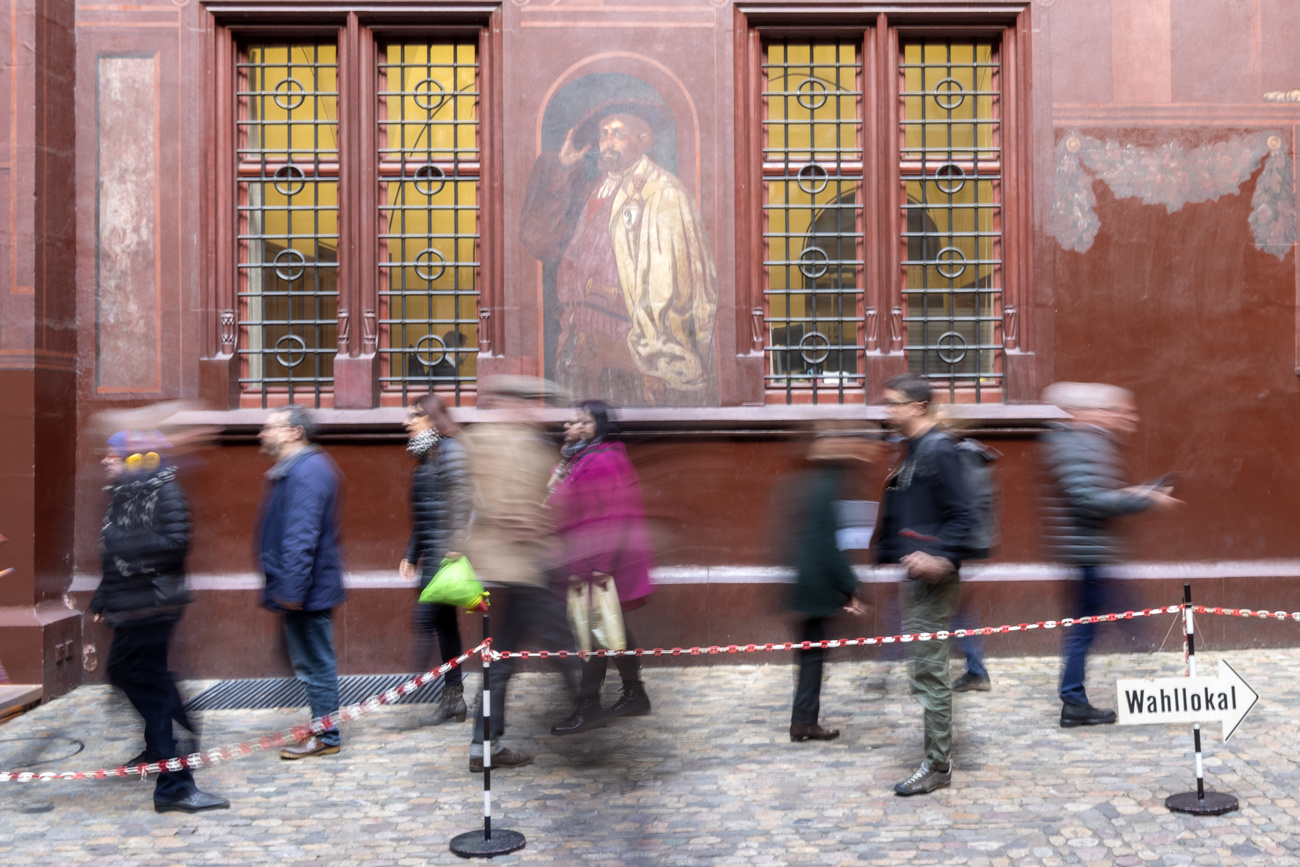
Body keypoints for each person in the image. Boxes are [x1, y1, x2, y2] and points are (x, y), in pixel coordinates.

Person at [521, 98, 718, 407]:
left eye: (618, 133)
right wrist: (563, 167)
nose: (608, 142)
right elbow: (542, 242)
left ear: (644, 140)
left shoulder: (663, 193)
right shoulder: (591, 187)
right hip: (575, 350)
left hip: (628, 360)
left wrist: (655, 364)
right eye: (603, 134)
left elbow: (674, 290)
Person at [90, 430, 229, 813]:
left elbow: (174, 547)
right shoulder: (122, 496)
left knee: (147, 682)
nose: (105, 461)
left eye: (113, 456)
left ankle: (176, 781)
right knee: (129, 673)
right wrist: (103, 596)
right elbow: (111, 556)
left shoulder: (166, 494)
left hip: (153, 605)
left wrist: (120, 540)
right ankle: (164, 745)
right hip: (130, 604)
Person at [462, 377, 584, 772]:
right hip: (522, 564)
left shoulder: (499, 438)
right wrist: (530, 524)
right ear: (513, 402)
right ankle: (589, 710)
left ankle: (485, 745)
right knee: (559, 642)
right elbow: (505, 504)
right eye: (531, 402)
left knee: (502, 659)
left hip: (515, 565)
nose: (536, 410)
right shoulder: (503, 441)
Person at [1040, 382, 1179, 727]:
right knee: (1093, 626)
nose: (1129, 418)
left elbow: (1094, 493)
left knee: (1094, 624)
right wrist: (1145, 498)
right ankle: (1077, 699)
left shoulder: (1084, 441)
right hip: (1087, 552)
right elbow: (1086, 499)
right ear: (1092, 413)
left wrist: (1138, 492)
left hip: (1092, 550)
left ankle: (1079, 696)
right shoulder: (1076, 443)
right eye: (1121, 411)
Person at [874, 373, 977, 796]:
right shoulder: (915, 449)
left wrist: (942, 558)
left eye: (894, 403)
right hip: (916, 575)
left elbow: (964, 515)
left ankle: (938, 766)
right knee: (926, 671)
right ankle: (938, 758)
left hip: (933, 579)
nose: (888, 411)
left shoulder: (938, 449)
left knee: (931, 674)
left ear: (918, 407)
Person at [547, 400, 656, 735]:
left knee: (592, 630)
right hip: (592, 562)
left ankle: (588, 704)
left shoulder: (602, 460)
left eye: (580, 421)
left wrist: (595, 570)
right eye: (569, 421)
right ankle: (635, 693)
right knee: (611, 625)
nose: (569, 425)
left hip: (597, 564)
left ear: (598, 427)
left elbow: (607, 518)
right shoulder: (580, 459)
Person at [256, 405, 346, 759]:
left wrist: (292, 589)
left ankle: (327, 737)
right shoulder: (298, 468)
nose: (263, 434)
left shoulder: (307, 471)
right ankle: (324, 730)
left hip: (307, 590)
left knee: (315, 663)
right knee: (310, 661)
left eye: (270, 427)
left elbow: (301, 536)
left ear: (295, 432)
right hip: (304, 587)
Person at [785, 429, 882, 742]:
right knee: (813, 654)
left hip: (811, 581)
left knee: (811, 654)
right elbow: (830, 544)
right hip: (818, 584)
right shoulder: (830, 484)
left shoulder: (819, 480)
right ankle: (803, 721)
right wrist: (852, 587)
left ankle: (803, 720)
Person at [399, 393, 471, 724]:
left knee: (426, 621)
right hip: (433, 553)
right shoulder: (427, 458)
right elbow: (424, 515)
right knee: (442, 624)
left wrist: (455, 544)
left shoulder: (452, 453)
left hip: (445, 556)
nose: (407, 423)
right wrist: (411, 554)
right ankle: (452, 698)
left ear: (432, 419)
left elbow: (465, 501)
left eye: (415, 416)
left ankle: (416, 689)